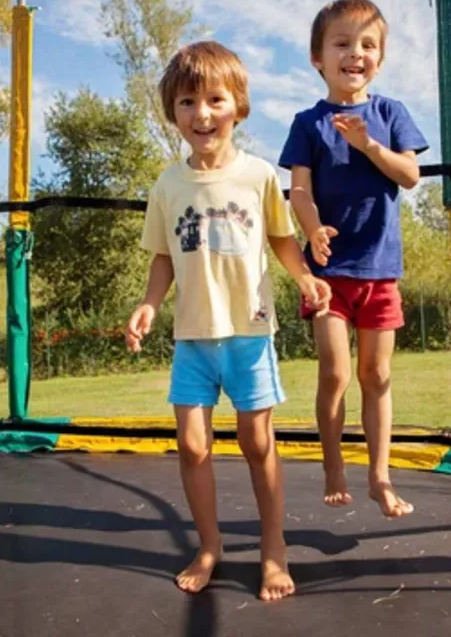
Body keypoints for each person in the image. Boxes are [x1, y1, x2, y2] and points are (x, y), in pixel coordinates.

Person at [125, 40, 330, 601]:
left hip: (248, 332)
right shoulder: (168, 185)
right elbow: (163, 256)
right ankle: (209, 546)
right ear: (174, 113)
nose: (202, 113)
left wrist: (305, 278)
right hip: (192, 337)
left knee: (256, 442)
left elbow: (281, 239)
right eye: (187, 102)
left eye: (215, 99)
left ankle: (273, 548)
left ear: (238, 105)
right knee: (193, 446)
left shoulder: (258, 175)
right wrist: (149, 304)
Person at [278, 0, 429, 518]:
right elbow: (299, 190)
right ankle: (334, 465)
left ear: (379, 58)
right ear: (317, 57)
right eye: (342, 43)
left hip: (380, 271)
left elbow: (410, 175)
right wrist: (312, 227)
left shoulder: (391, 114)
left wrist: (369, 146)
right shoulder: (308, 123)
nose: (355, 53)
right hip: (329, 273)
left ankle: (380, 476)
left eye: (367, 44)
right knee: (335, 372)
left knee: (377, 375)